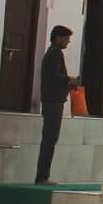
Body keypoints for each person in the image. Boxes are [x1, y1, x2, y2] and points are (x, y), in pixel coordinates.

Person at [35, 25, 79, 185]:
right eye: (66, 38)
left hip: (52, 100)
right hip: (53, 101)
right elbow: (54, 76)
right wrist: (70, 80)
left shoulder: (52, 53)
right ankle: (42, 176)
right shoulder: (55, 54)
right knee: (49, 139)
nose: (68, 42)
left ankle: (42, 175)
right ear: (59, 37)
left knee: (49, 138)